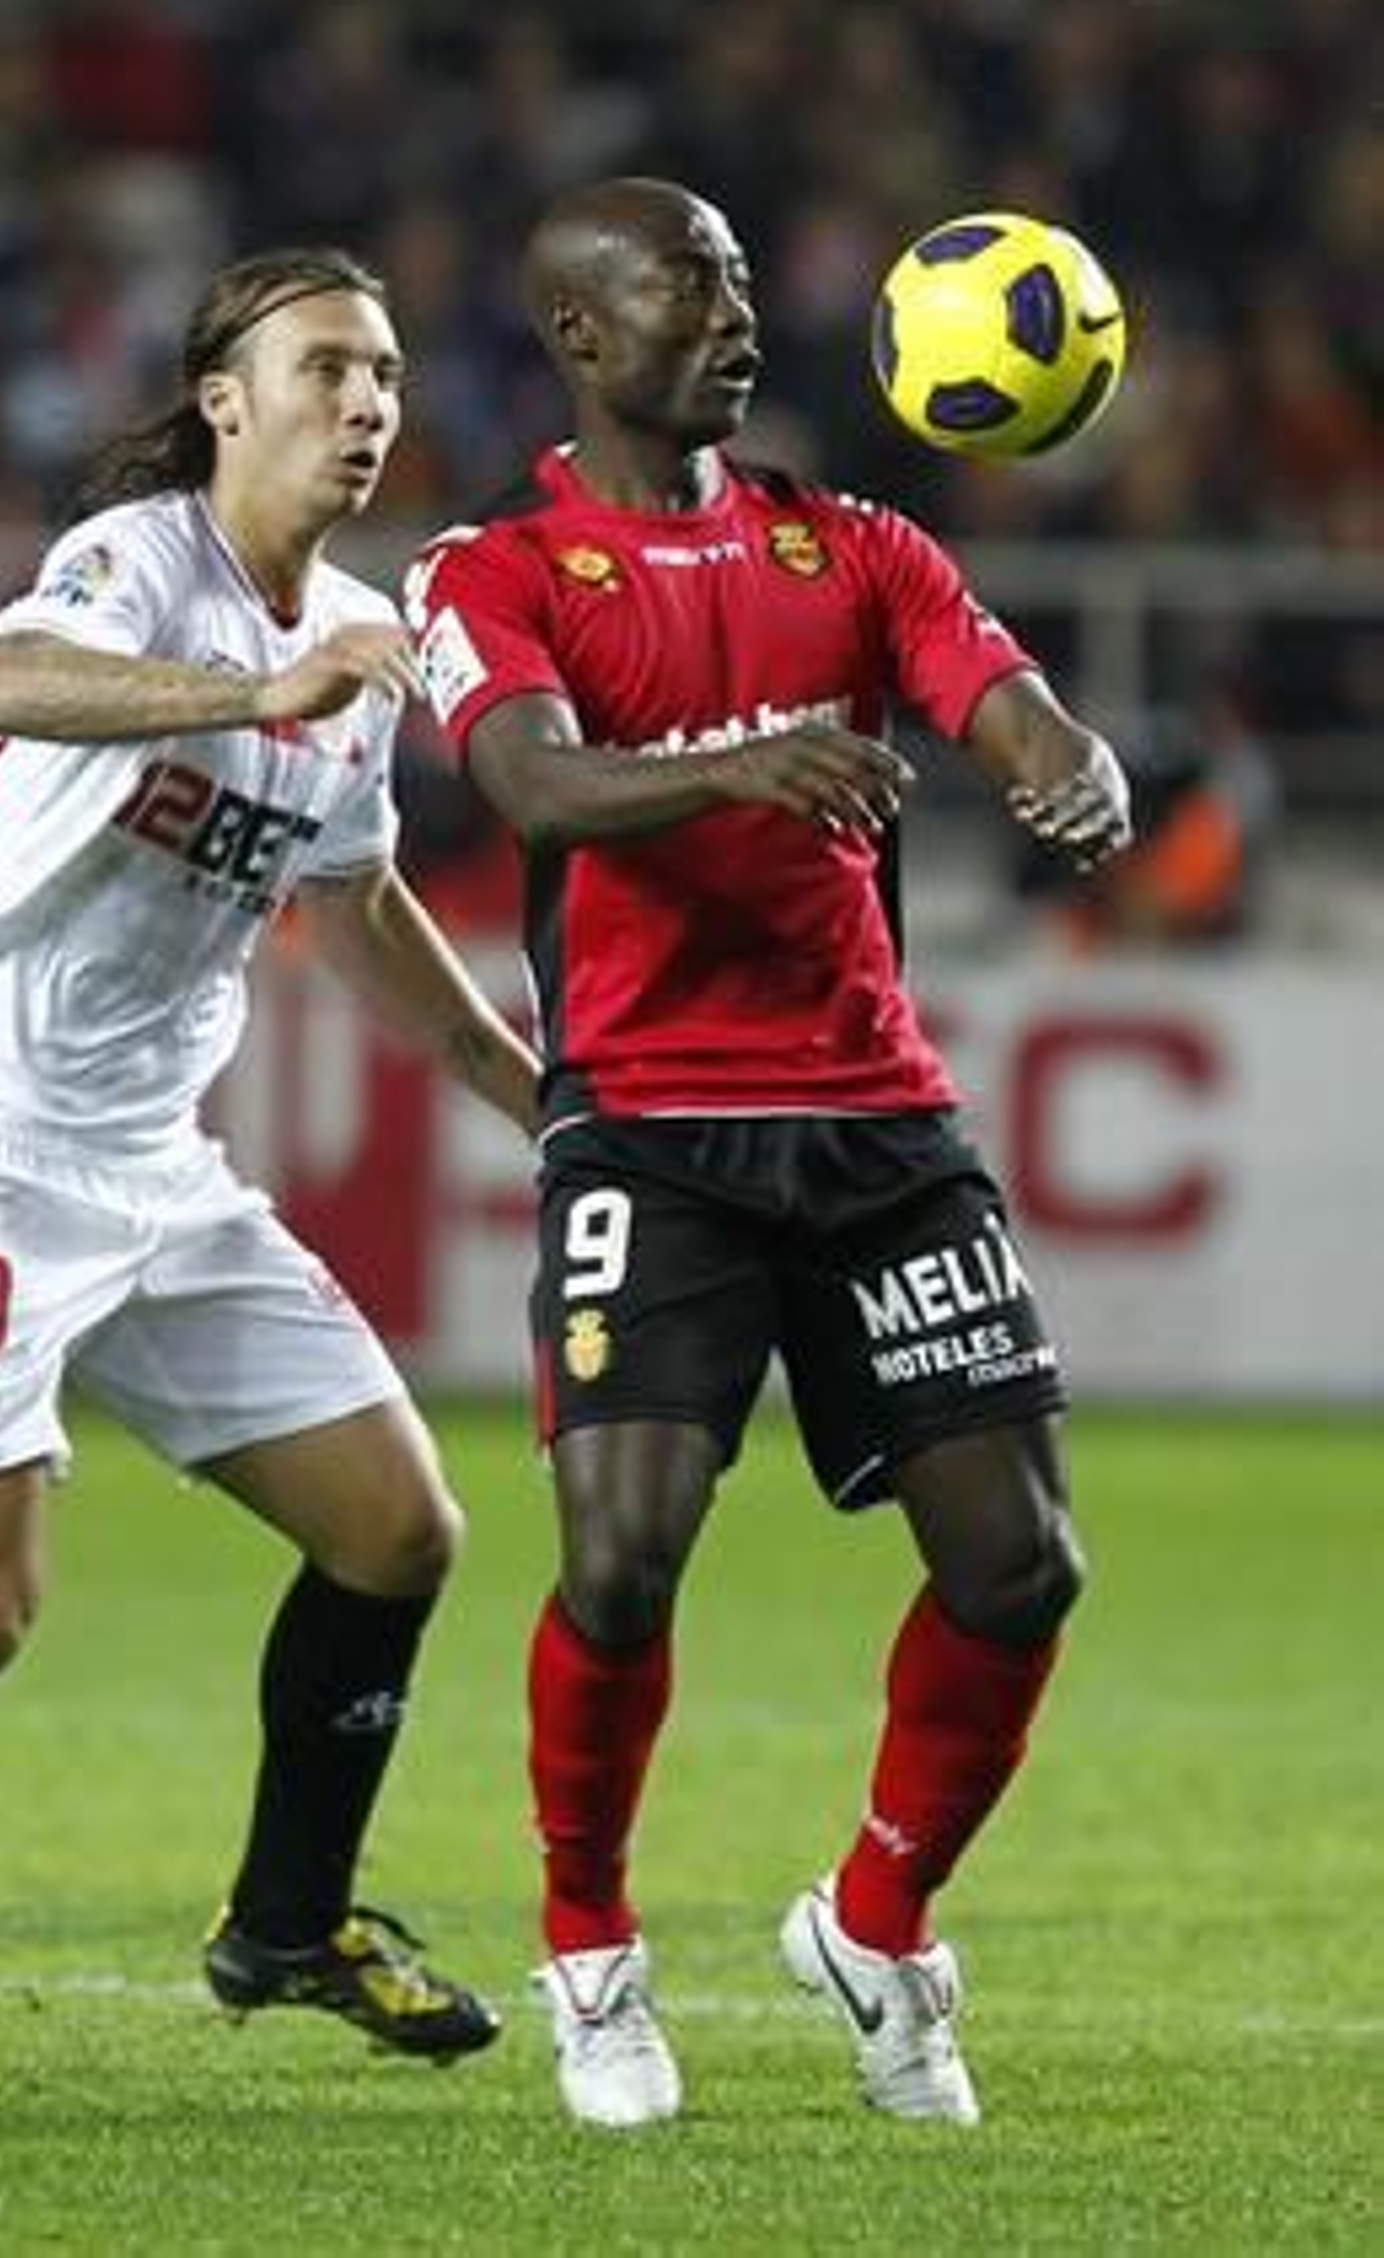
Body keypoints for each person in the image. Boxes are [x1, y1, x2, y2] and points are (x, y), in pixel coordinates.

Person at [405, 178, 1132, 2130]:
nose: (732, 316)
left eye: (739, 281)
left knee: (1019, 1564)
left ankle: (877, 1925)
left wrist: (1060, 759)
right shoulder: (500, 567)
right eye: (686, 287)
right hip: (648, 1126)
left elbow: (1003, 693)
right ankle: (588, 1950)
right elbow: (529, 782)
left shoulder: (856, 542)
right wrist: (743, 757)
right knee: (623, 1557)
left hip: (876, 1120)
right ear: (576, 330)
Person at [0, 247, 541, 2084]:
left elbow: (352, 905)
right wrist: (255, 691)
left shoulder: (350, 648)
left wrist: (541, 1102)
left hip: (153, 1171)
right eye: (324, 367)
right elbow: (7, 676)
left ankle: (288, 1923)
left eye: (382, 374)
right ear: (224, 397)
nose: (364, 404)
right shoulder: (144, 561)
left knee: (399, 1528)